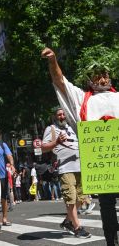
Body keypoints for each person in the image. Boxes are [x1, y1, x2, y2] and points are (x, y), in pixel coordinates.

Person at [42, 47, 119, 246]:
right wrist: (53, 61)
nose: (102, 79)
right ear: (89, 80)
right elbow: (60, 82)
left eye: (105, 75)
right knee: (107, 207)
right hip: (102, 168)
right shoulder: (82, 99)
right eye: (96, 76)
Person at [41, 107, 92, 239]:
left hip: (80, 167)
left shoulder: (72, 127)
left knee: (81, 199)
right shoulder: (51, 129)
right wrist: (57, 142)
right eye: (59, 115)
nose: (62, 116)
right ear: (55, 117)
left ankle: (67, 222)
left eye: (64, 114)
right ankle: (77, 227)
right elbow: (43, 148)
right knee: (71, 199)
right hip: (66, 168)